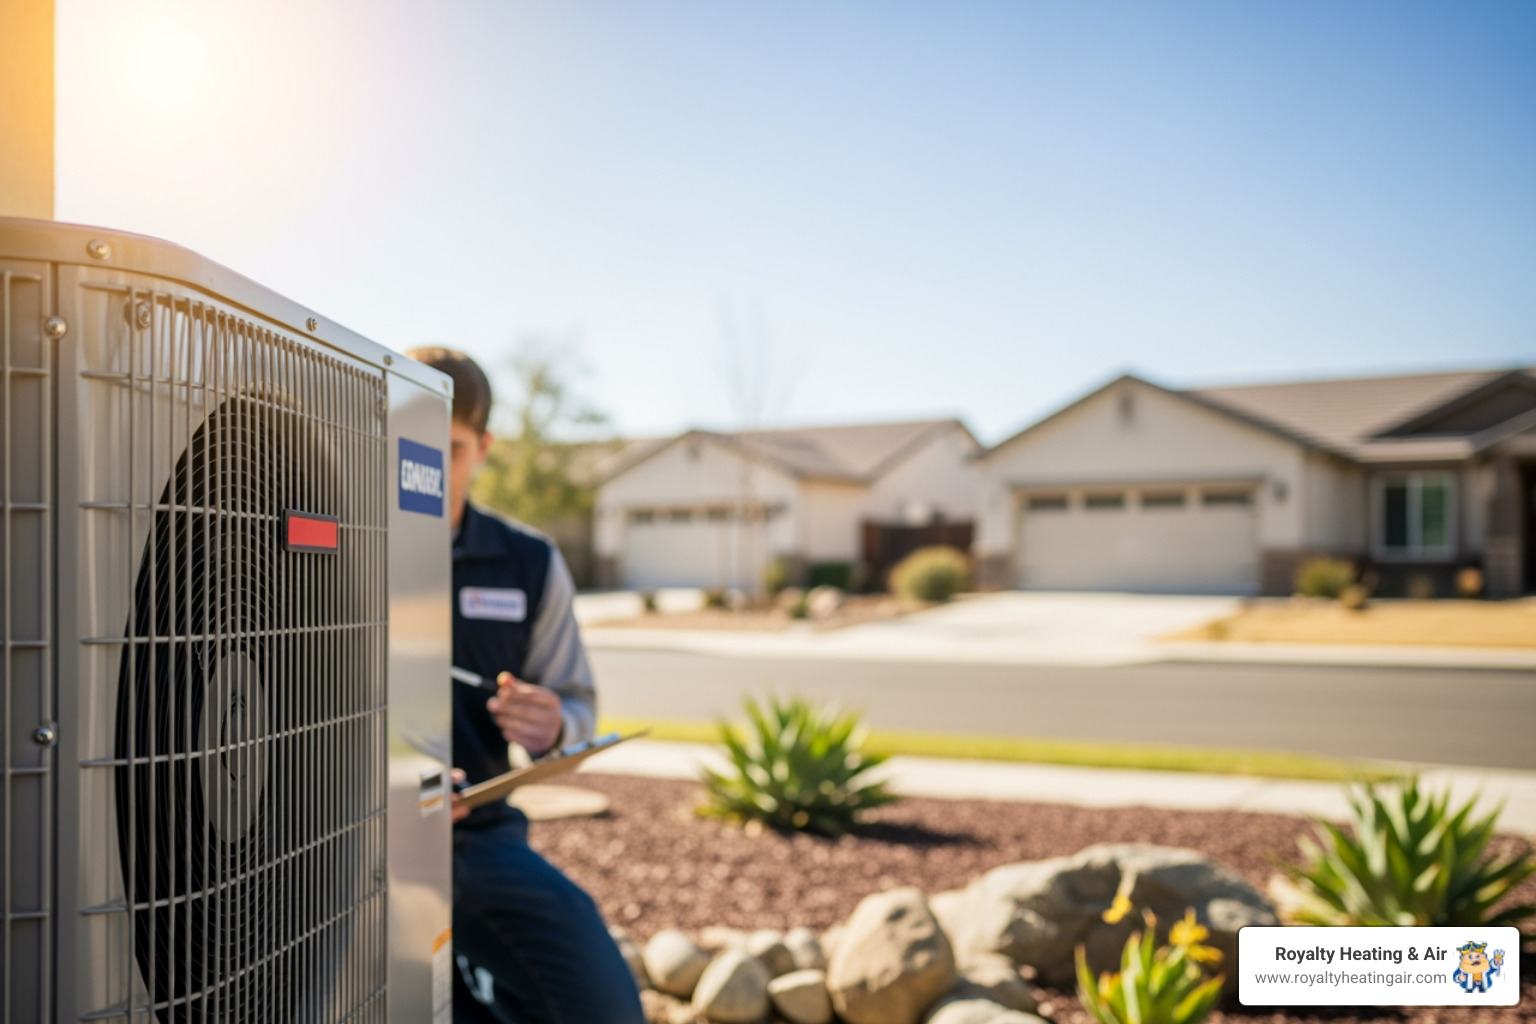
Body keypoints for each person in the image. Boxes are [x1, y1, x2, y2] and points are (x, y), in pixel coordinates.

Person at [406, 347, 644, 1024]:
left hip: (475, 841)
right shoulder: (329, 546)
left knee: (602, 1008)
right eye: (408, 447)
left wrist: (554, 726)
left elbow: (576, 706)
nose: (424, 468)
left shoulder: (529, 562)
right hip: (338, 839)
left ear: (483, 448)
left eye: (446, 450)